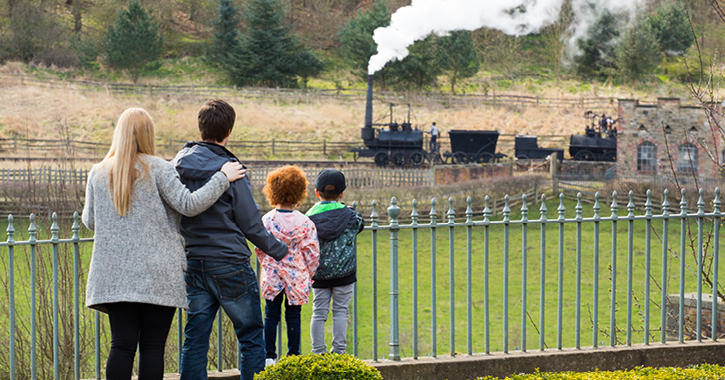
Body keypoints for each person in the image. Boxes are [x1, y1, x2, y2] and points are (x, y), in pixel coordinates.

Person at [81, 108, 246, 380]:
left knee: (121, 346)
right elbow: (189, 205)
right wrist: (222, 178)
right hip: (157, 273)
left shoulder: (98, 173)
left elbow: (90, 221)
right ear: (149, 134)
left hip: (114, 275)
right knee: (152, 347)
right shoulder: (159, 168)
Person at [172, 99, 288, 380]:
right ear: (229, 132)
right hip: (229, 262)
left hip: (193, 261)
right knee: (250, 335)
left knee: (195, 336)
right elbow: (250, 224)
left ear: (200, 128)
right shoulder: (232, 170)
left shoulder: (176, 166)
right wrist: (280, 250)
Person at [255, 165, 320, 366]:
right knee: (294, 317)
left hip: (273, 273)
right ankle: (294, 356)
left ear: (273, 190)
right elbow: (312, 253)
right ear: (300, 192)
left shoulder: (266, 220)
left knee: (271, 315)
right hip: (297, 276)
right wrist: (309, 274)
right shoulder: (305, 223)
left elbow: (260, 248)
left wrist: (267, 264)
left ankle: (269, 356)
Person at [306, 169, 364, 355]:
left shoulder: (308, 218)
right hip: (344, 273)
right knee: (340, 312)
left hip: (319, 273)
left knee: (319, 312)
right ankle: (339, 352)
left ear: (316, 192)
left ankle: (318, 352)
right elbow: (359, 226)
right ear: (342, 193)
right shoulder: (351, 216)